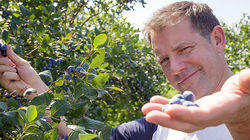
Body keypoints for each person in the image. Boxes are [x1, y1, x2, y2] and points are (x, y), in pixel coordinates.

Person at [0, 1, 249, 140]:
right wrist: (33, 89)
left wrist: (242, 119)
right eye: (163, 59)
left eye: (184, 49)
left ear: (217, 40)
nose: (175, 68)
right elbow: (78, 137)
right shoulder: (161, 125)